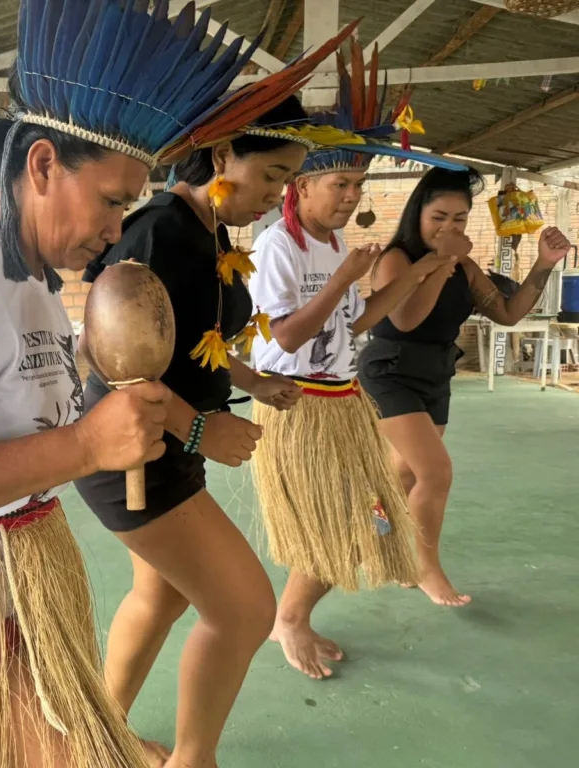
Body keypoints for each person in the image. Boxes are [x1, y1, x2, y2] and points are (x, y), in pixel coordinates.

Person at [0, 2, 323, 765]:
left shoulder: (35, 276)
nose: (120, 226)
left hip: (6, 565)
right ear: (43, 165)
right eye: (114, 200)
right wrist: (86, 444)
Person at [75, 96, 313, 768]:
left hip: (166, 446)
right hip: (135, 451)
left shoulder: (209, 231)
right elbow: (108, 352)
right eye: (270, 175)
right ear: (219, 159)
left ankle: (96, 739)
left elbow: (188, 342)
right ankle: (193, 760)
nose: (275, 195)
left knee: (159, 596)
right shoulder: (158, 228)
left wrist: (254, 379)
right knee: (244, 611)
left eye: (286, 182)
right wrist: (201, 426)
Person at [246, 40, 471, 680]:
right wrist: (346, 276)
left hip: (342, 399)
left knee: (367, 517)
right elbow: (285, 340)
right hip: (296, 402)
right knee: (343, 523)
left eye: (358, 184)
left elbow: (362, 320)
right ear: (303, 185)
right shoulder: (277, 248)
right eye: (340, 184)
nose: (351, 195)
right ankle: (287, 621)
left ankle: (292, 616)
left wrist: (426, 265)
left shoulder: (334, 240)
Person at [358, 167, 573, 607]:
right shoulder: (396, 259)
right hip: (390, 372)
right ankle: (424, 566)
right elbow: (405, 318)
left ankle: (375, 542)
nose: (448, 228)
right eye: (439, 217)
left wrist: (543, 264)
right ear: (417, 213)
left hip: (436, 374)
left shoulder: (466, 266)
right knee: (435, 473)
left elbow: (509, 313)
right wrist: (440, 261)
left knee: (401, 473)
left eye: (459, 219)